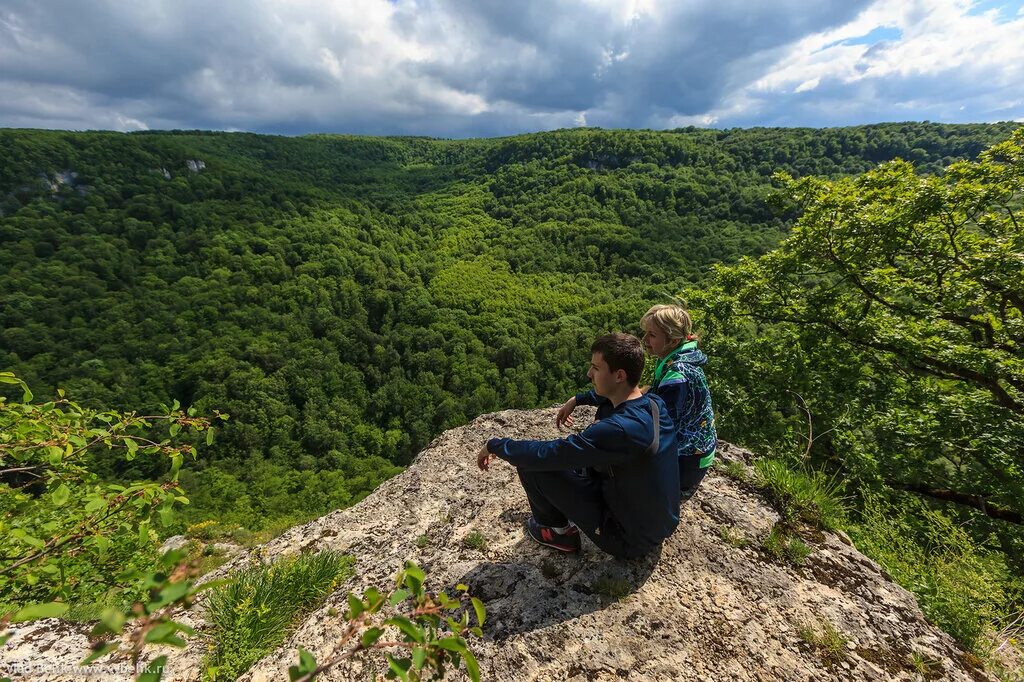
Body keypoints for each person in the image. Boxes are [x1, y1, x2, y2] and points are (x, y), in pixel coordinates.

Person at [478, 333, 680, 558]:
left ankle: (557, 532)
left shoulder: (617, 430)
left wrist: (496, 444)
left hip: (627, 539)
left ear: (619, 375)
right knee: (580, 454)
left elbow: (549, 454)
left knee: (533, 466)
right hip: (655, 524)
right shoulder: (654, 403)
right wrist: (579, 399)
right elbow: (610, 397)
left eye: (596, 368)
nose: (589, 373)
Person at [557, 304, 717, 502]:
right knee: (610, 411)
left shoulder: (678, 376)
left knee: (618, 441)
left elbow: (661, 430)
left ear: (673, 340)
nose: (645, 340)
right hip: (688, 455)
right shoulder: (673, 359)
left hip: (686, 463)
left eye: (652, 335)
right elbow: (631, 392)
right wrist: (579, 399)